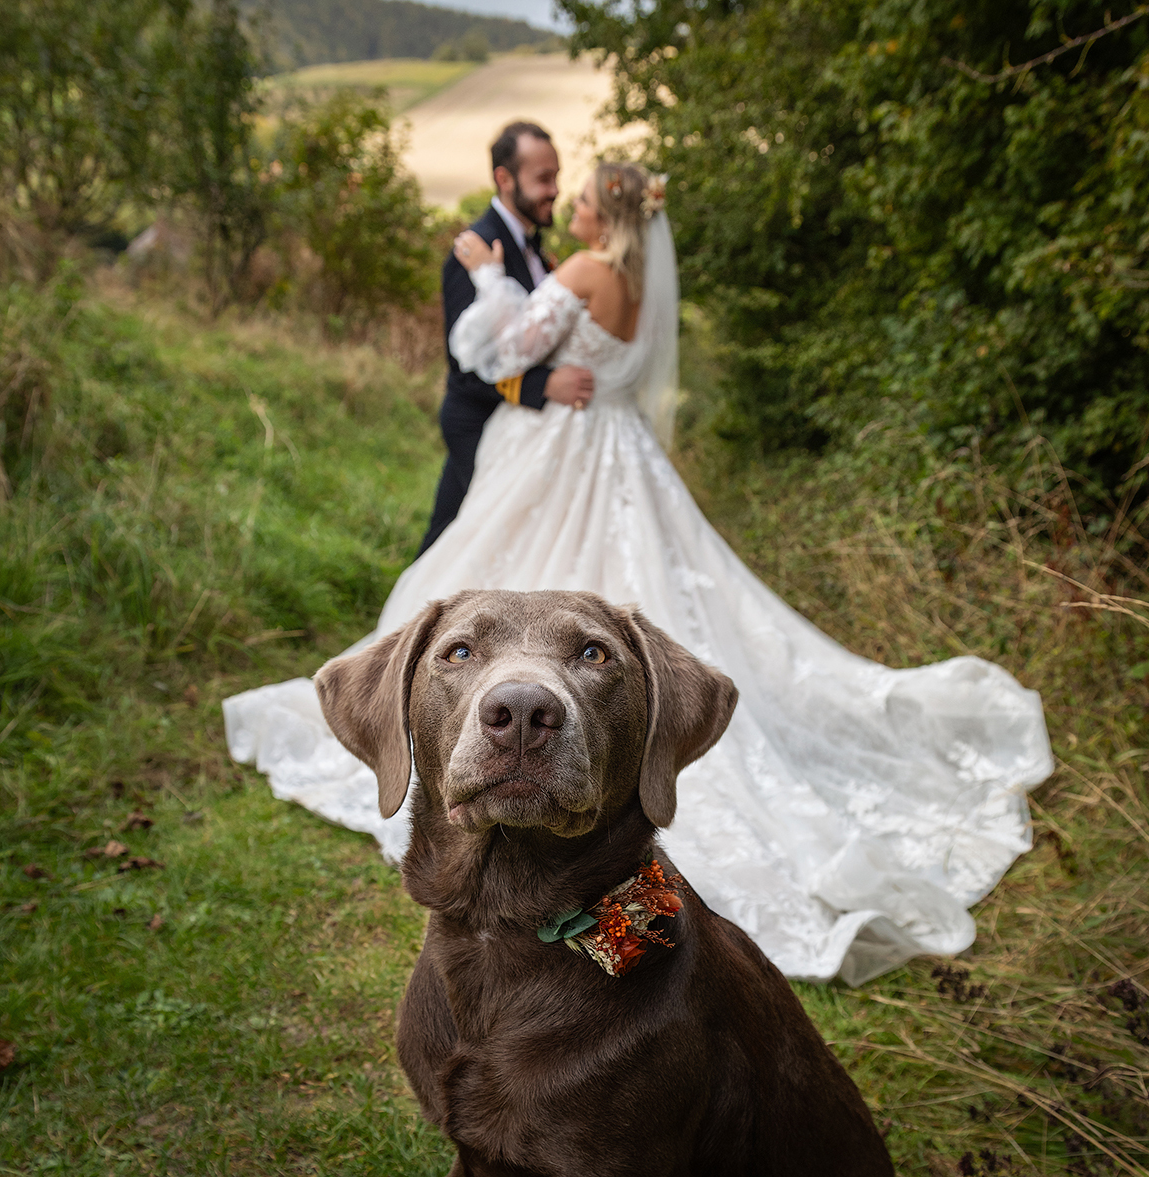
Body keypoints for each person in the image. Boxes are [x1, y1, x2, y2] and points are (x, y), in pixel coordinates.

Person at [224, 162, 1053, 986]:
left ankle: (595, 811)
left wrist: (486, 276)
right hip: (622, 449)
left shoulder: (582, 269)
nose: (572, 208)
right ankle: (608, 769)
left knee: (523, 599)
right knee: (612, 615)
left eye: (581, 198)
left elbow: (492, 347)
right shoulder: (636, 282)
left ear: (606, 215)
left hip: (565, 448)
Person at [418, 121, 595, 556]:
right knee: (473, 543)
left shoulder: (536, 247)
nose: (555, 189)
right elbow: (465, 369)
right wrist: (542, 385)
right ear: (504, 178)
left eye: (556, 176)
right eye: (543, 179)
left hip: (517, 425)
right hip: (477, 421)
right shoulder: (472, 252)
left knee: (455, 538)